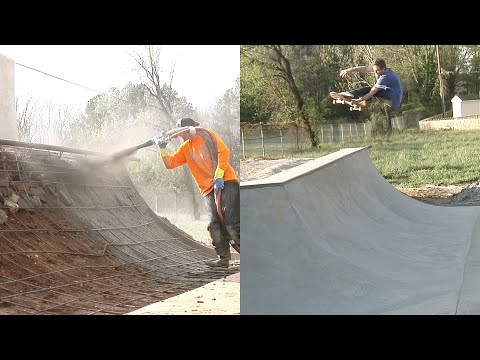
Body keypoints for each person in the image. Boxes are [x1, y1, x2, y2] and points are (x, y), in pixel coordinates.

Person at [152, 117, 240, 268]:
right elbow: (170, 163)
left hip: (226, 182)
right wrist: (162, 148)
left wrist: (219, 174)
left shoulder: (207, 136)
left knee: (231, 223)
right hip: (207, 189)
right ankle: (223, 259)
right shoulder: (186, 148)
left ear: (189, 129)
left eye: (181, 132)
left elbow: (223, 152)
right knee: (213, 224)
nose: (180, 136)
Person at [333, 58, 403, 110]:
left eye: (377, 71)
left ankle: (349, 94)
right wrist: (349, 70)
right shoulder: (385, 70)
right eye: (374, 71)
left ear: (383, 69)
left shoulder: (385, 77)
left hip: (393, 99)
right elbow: (365, 69)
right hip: (393, 99)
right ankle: (362, 104)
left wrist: (359, 100)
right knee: (374, 95)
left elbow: (371, 92)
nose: (376, 73)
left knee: (369, 90)